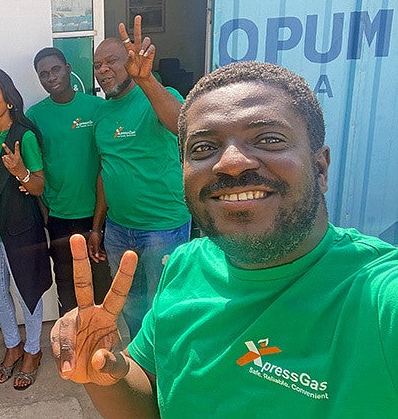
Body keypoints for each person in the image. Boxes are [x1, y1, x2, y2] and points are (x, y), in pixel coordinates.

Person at [50, 61, 398, 417]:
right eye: (203, 148)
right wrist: (104, 372)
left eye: (268, 139)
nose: (231, 162)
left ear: (320, 168)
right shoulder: (185, 266)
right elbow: (152, 394)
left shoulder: (376, 295)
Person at [89, 16, 192, 339]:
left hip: (163, 227)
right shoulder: (102, 114)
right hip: (119, 231)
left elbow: (182, 126)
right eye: (97, 64)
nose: (103, 69)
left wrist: (146, 81)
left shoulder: (160, 95)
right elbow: (107, 171)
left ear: (130, 62)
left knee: (164, 305)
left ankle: (167, 368)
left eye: (111, 61)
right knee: (131, 304)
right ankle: (142, 360)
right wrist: (97, 227)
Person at [0, 67, 51, 390]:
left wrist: (21, 172)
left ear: (8, 98)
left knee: (27, 291)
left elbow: (40, 187)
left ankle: (32, 350)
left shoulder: (23, 136)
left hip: (21, 232)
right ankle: (13, 344)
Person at [26, 47, 111, 316]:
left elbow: (106, 164)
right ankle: (72, 343)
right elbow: (34, 166)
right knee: (67, 284)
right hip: (59, 216)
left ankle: (99, 346)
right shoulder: (35, 116)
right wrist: (45, 213)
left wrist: (98, 222)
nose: (51, 77)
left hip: (97, 213)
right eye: (43, 74)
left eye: (55, 69)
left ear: (68, 68)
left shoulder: (97, 107)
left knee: (100, 282)